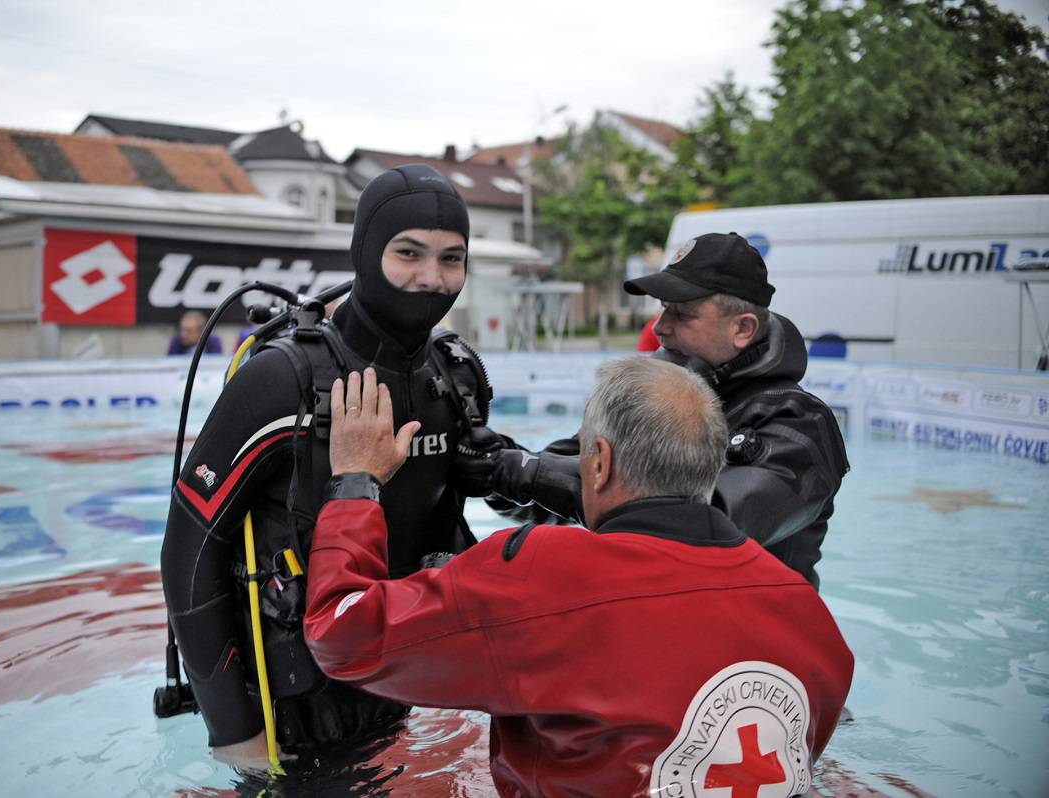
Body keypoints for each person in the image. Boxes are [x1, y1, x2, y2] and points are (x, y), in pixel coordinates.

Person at [305, 359, 854, 798]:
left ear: (599, 462)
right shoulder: (808, 614)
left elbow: (340, 634)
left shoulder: (540, 575)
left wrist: (355, 479)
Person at [159, 163, 491, 769]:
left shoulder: (455, 376)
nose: (431, 278)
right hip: (286, 715)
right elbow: (187, 549)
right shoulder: (281, 381)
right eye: (408, 253)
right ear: (364, 253)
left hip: (398, 691)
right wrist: (237, 736)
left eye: (452, 259)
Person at [458, 232, 849, 589]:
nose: (660, 327)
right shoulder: (648, 396)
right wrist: (493, 467)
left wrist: (527, 472)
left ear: (743, 329)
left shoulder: (801, 427)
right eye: (663, 309)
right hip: (658, 629)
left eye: (682, 313)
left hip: (756, 654)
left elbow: (707, 523)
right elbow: (561, 492)